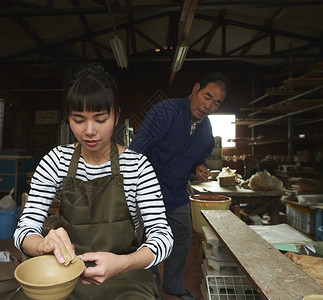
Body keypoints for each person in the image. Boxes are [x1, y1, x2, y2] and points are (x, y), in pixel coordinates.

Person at [14, 64, 173, 300]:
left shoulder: (138, 167)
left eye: (100, 119)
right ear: (68, 118)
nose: (89, 131)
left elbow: (163, 237)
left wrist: (123, 263)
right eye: (78, 119)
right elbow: (24, 230)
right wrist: (43, 246)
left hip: (125, 276)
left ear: (116, 116)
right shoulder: (55, 161)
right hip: (66, 272)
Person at [129, 71, 230, 300]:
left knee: (182, 237)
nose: (208, 106)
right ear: (195, 89)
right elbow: (137, 150)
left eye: (216, 103)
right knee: (146, 242)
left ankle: (172, 285)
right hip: (148, 191)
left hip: (176, 192)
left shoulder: (206, 130)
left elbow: (199, 157)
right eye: (207, 96)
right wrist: (134, 187)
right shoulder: (165, 112)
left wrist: (199, 168)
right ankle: (150, 288)